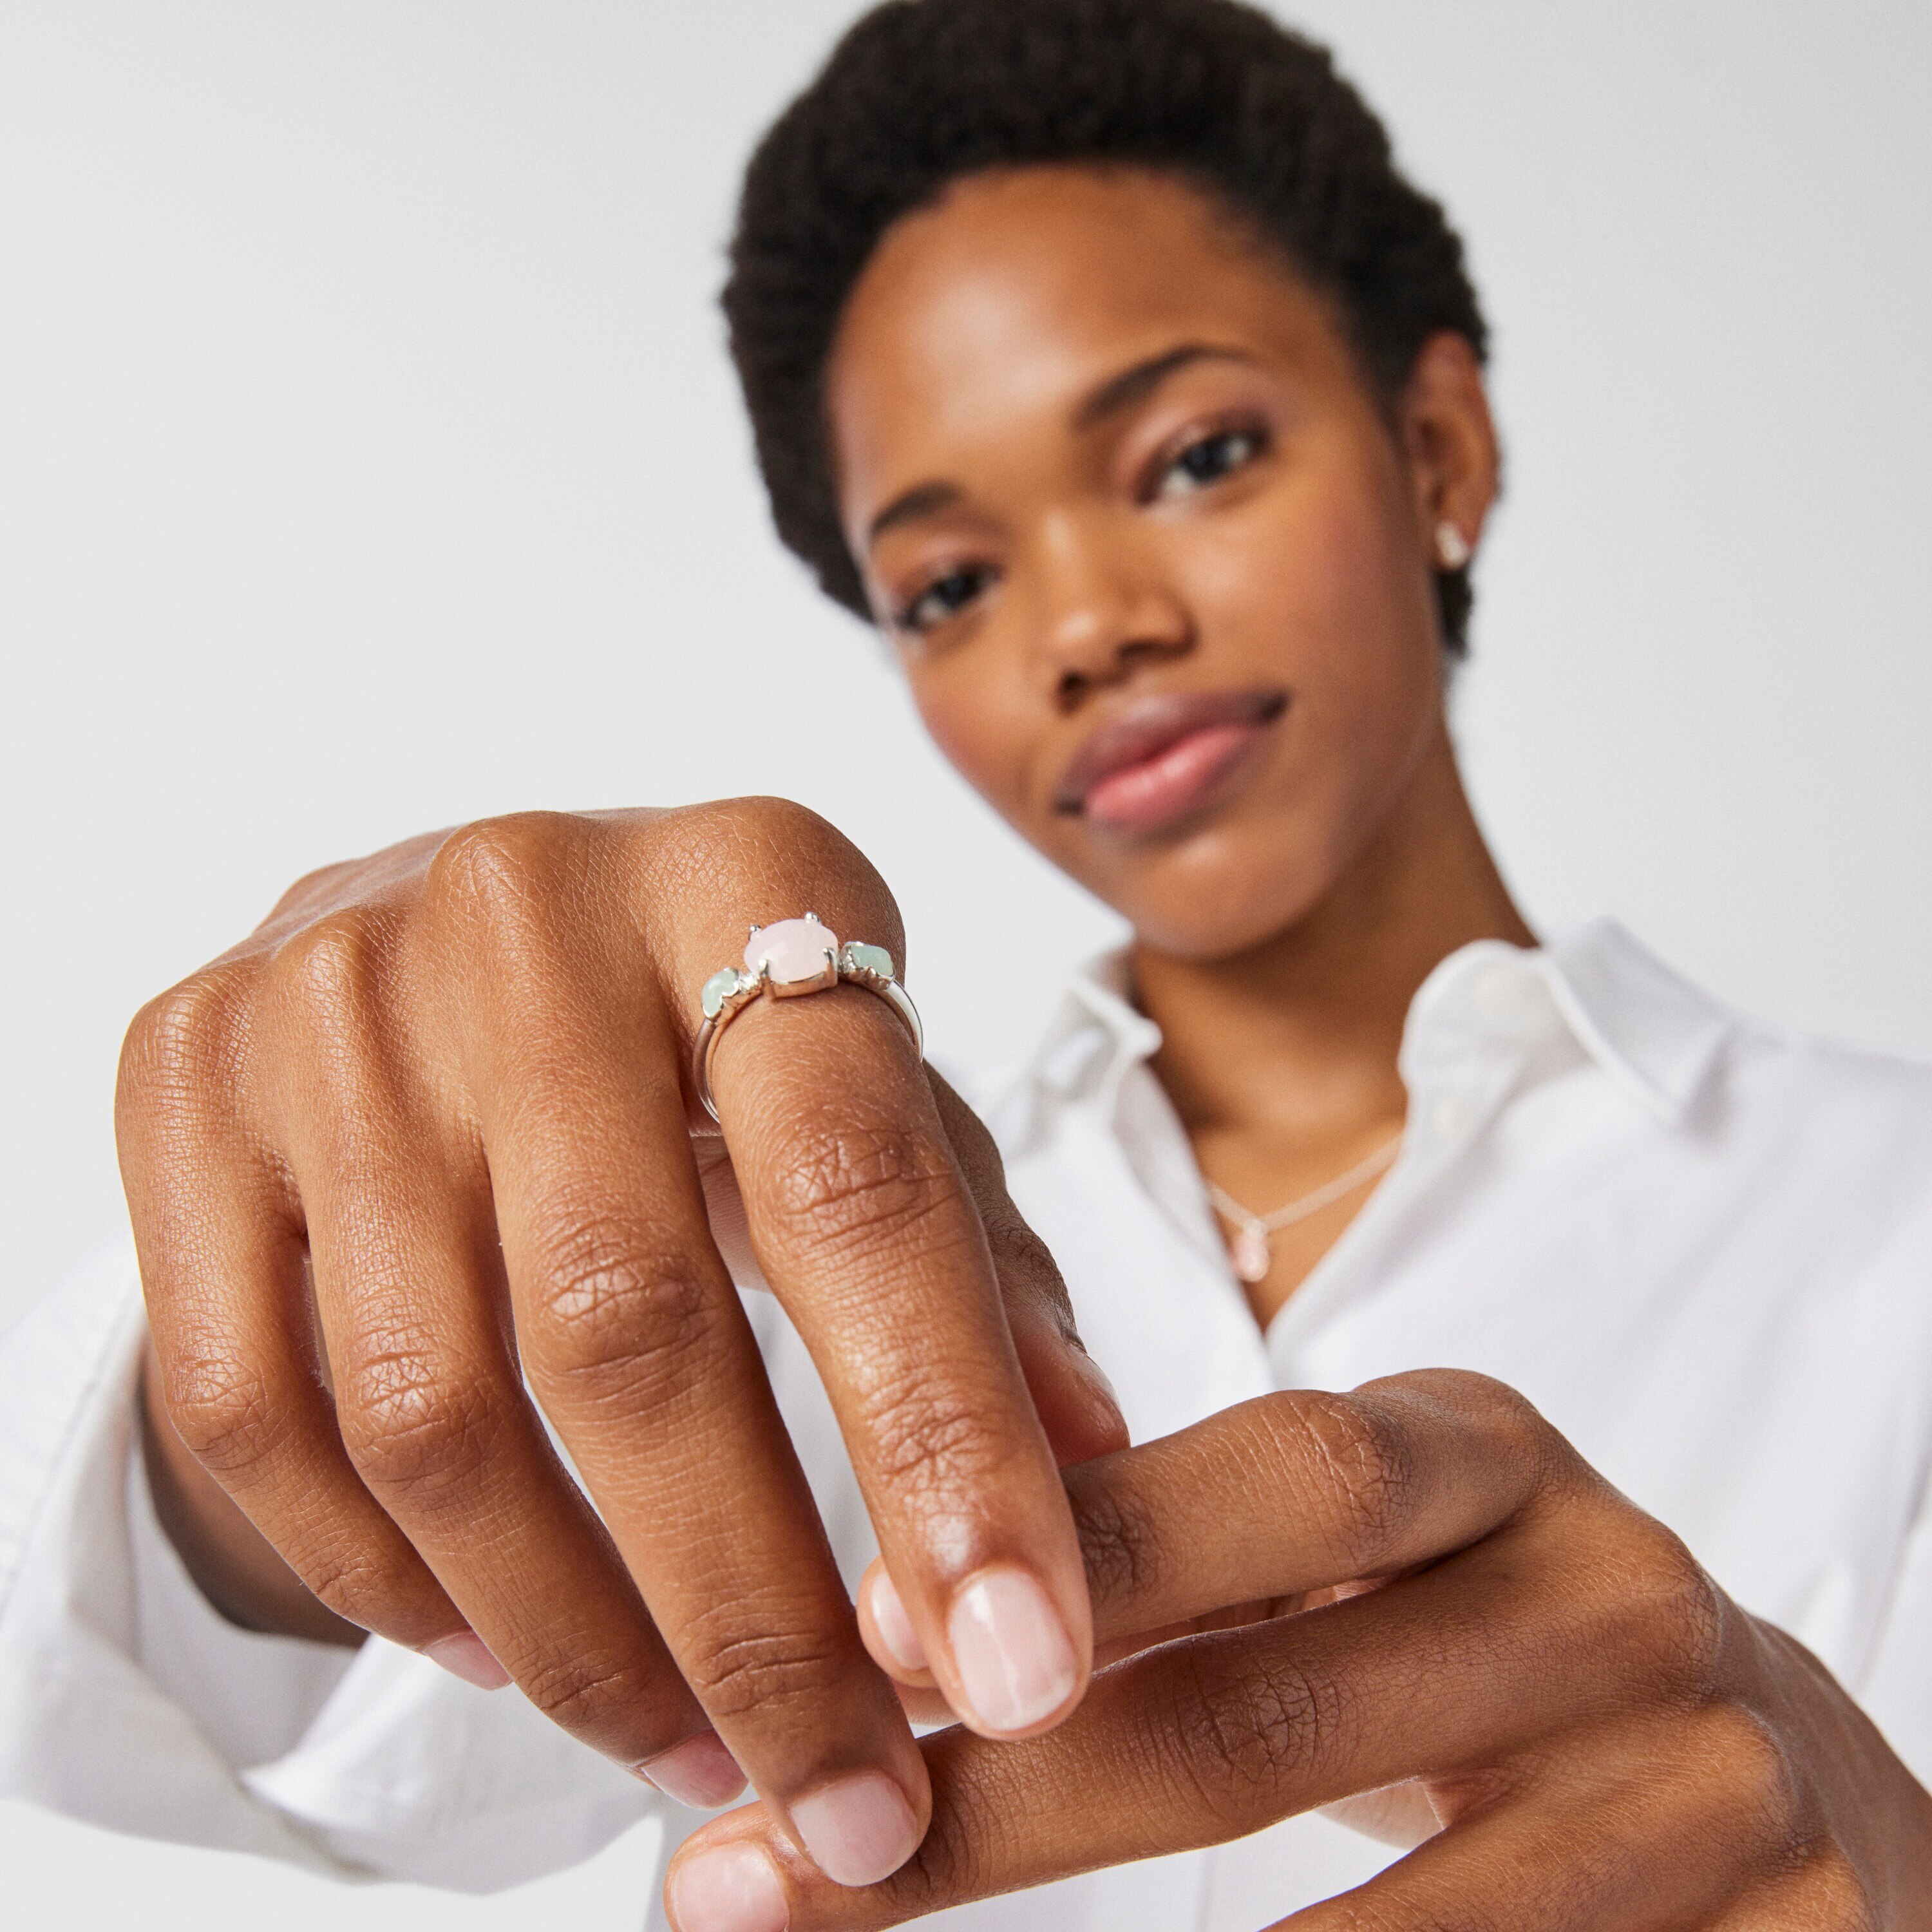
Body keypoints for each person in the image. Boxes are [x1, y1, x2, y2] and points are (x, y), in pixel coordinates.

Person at [4, 0, 1931, 1925]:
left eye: (1196, 456)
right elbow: (198, 1671)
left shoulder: (1884, 1219)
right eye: (948, 584)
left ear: (1439, 446)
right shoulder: (769, 1278)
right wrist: (287, 1299)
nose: (1087, 625)